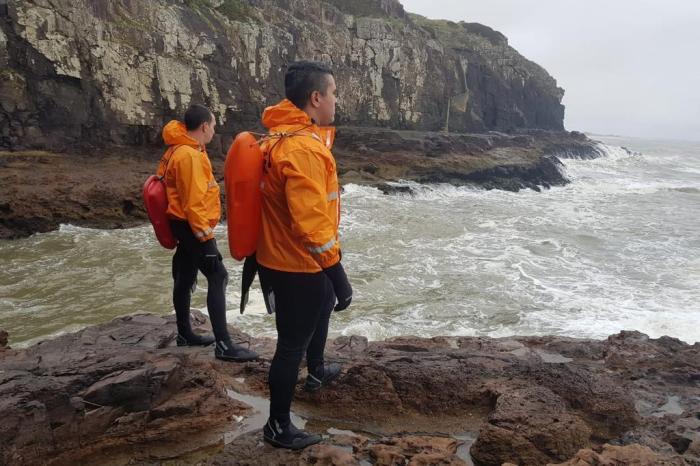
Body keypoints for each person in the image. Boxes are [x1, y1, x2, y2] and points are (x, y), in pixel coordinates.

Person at [256, 61, 353, 450]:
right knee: (289, 346)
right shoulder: (302, 149)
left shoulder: (276, 138)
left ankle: (316, 372)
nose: (335, 101)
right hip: (298, 264)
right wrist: (338, 274)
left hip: (279, 258)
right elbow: (310, 224)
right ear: (316, 98)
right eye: (332, 93)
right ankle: (277, 426)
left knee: (322, 306)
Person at [158, 104, 258, 362]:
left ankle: (184, 334)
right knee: (218, 276)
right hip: (190, 224)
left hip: (180, 222)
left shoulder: (179, 149)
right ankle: (224, 345)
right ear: (204, 126)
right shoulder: (189, 156)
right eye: (214, 125)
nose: (215, 130)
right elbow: (193, 203)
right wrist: (207, 240)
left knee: (185, 274)